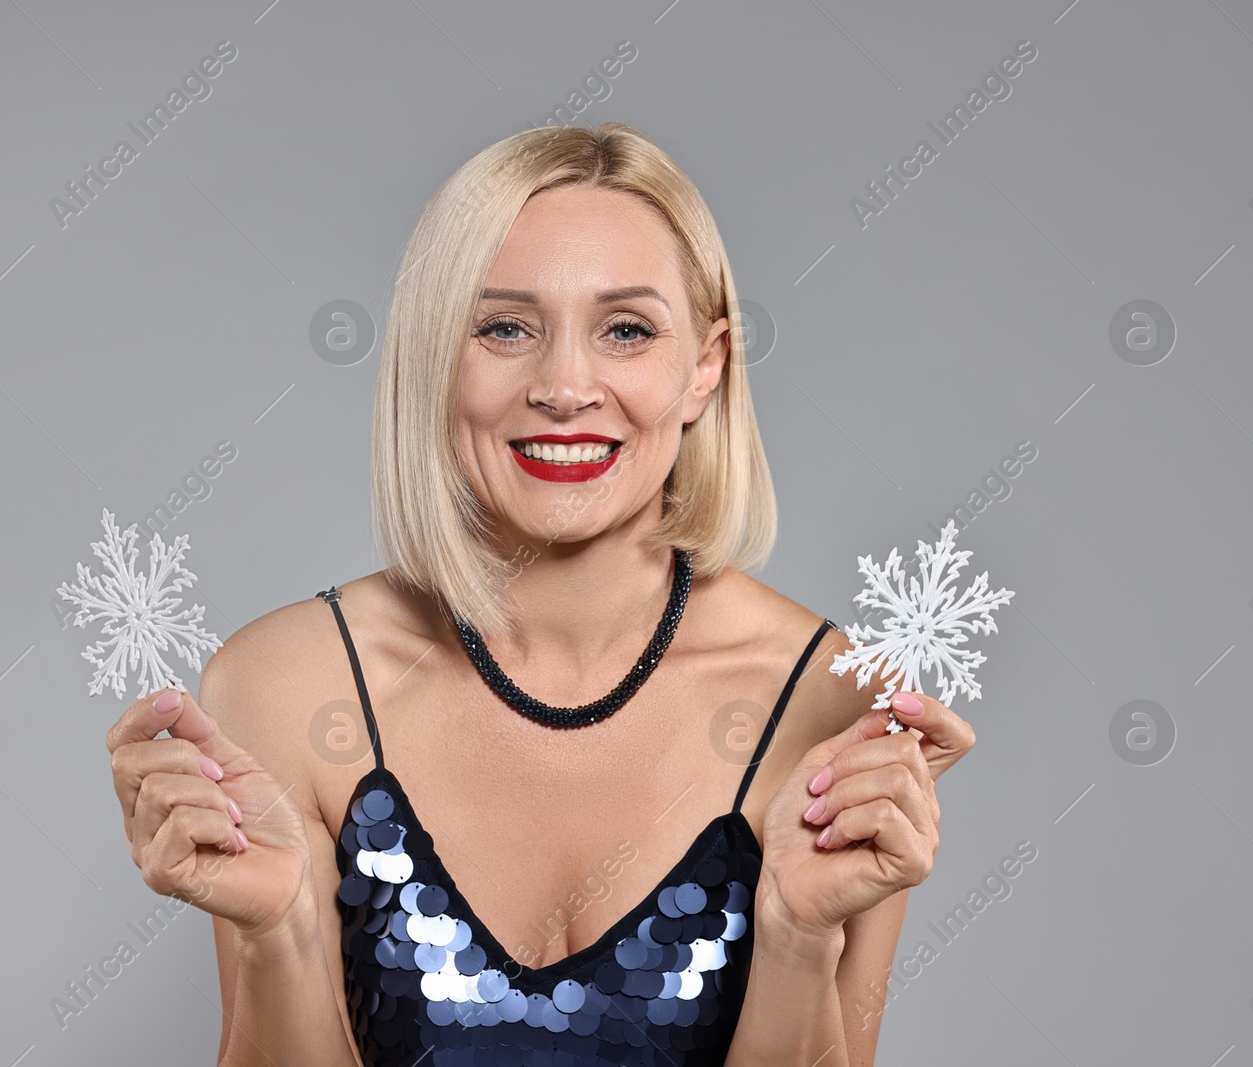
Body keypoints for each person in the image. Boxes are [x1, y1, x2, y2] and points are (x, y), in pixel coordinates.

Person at [106, 122, 975, 1066]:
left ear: (706, 366)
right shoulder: (285, 684)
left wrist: (800, 943)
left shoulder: (838, 700)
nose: (565, 387)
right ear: (438, 357)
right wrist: (279, 932)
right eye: (506, 328)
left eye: (627, 330)